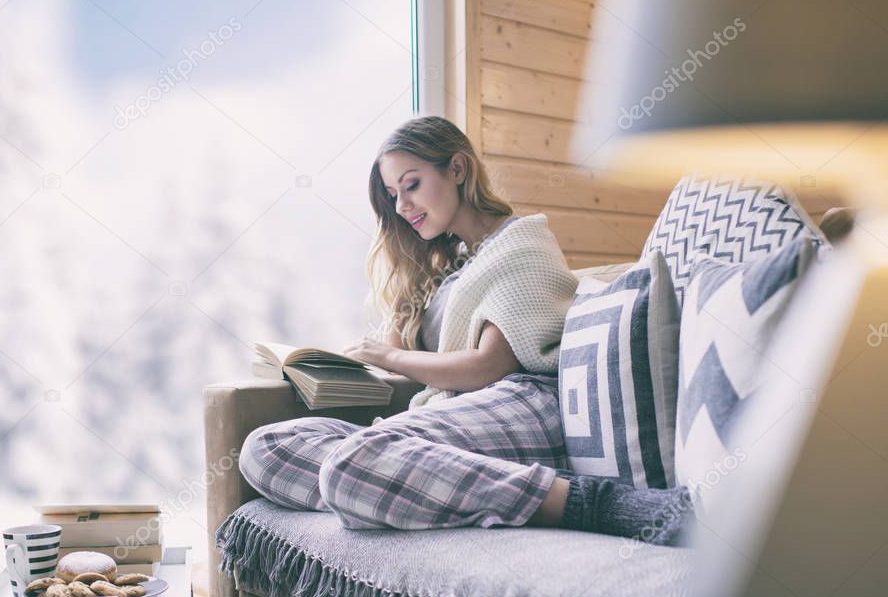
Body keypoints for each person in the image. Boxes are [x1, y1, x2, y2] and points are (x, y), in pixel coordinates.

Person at [238, 115, 694, 545]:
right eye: (394, 194)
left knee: (351, 462)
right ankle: (403, 492)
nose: (402, 205)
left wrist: (389, 356)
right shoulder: (441, 270)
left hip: (525, 403)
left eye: (412, 184)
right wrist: (339, 363)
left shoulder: (521, 242)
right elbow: (397, 363)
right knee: (266, 448)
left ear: (457, 168)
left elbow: (487, 367)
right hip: (458, 415)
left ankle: (600, 505)